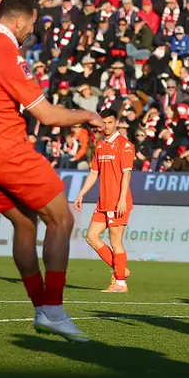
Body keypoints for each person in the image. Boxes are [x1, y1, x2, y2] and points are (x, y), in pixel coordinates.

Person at [0, 0, 103, 342]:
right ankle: (53, 312)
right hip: (7, 153)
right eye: (31, 24)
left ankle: (41, 308)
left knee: (25, 224)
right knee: (61, 219)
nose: (31, 31)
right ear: (18, 20)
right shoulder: (6, 53)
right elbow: (46, 115)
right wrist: (88, 115)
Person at [74, 109, 135, 293]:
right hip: (103, 202)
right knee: (91, 236)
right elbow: (94, 173)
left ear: (116, 122)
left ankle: (120, 284)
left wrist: (122, 199)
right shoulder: (100, 145)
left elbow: (127, 174)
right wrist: (81, 193)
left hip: (118, 201)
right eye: (104, 123)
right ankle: (120, 270)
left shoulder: (125, 145)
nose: (107, 126)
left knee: (116, 242)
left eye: (110, 122)